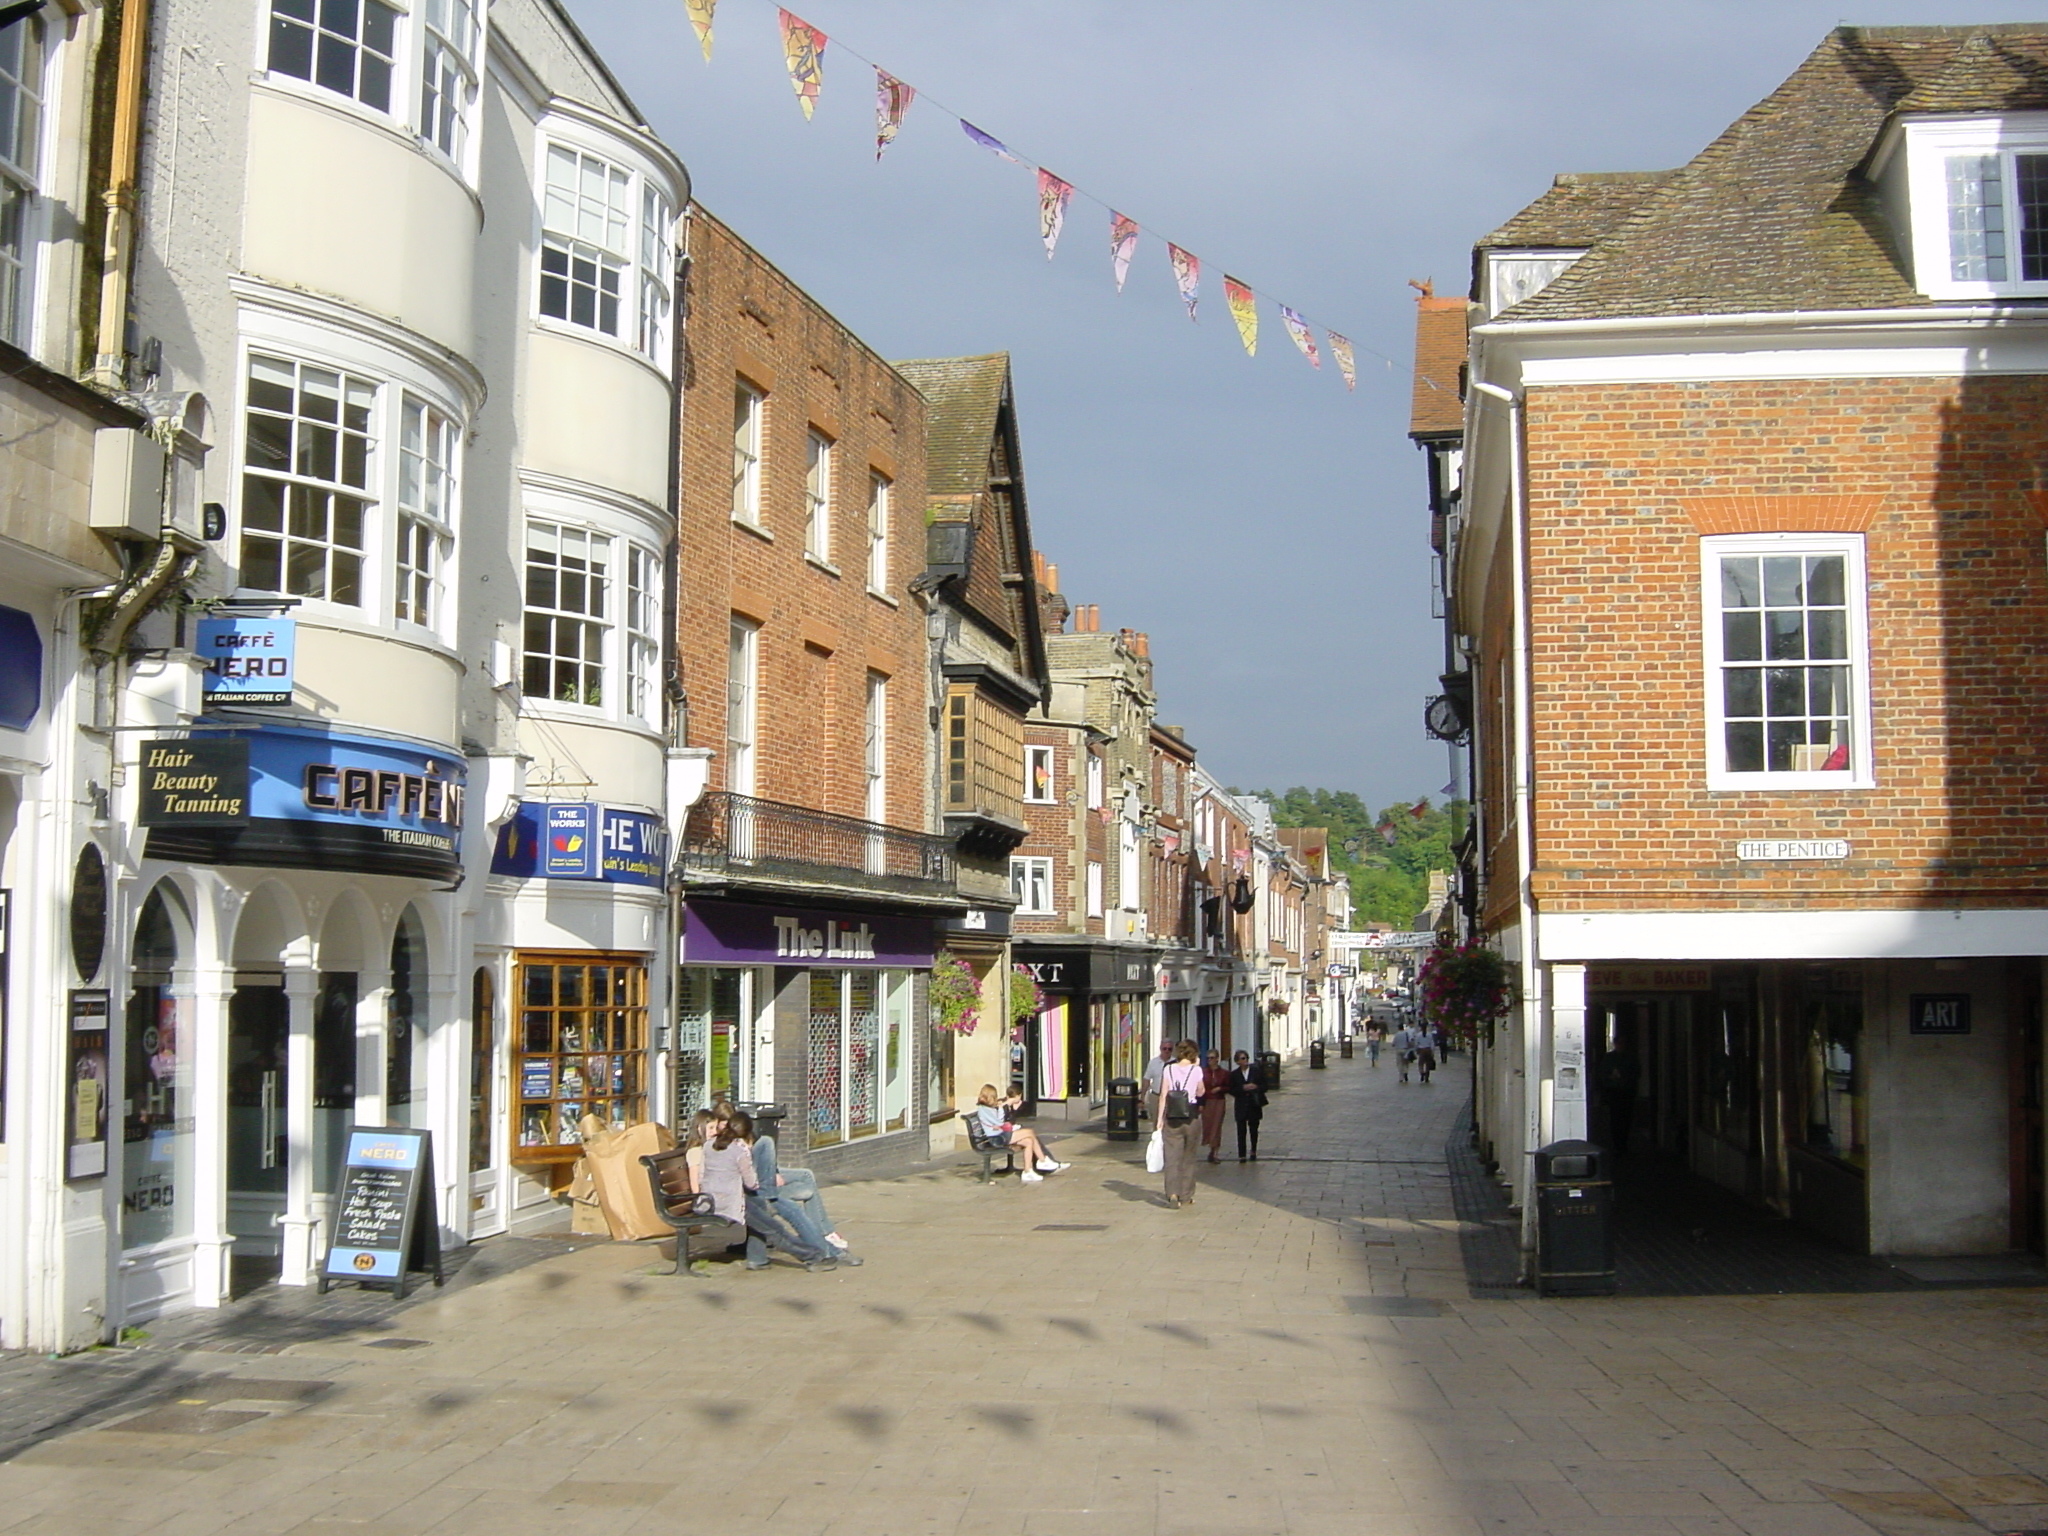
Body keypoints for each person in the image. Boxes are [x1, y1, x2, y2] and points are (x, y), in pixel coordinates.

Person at [697, 1112, 837, 1272]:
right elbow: (752, 1183)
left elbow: (701, 1177)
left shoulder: (708, 1146)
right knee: (774, 1230)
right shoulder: (739, 1151)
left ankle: (758, 1259)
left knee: (760, 1207)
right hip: (731, 1204)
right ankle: (814, 1257)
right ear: (747, 1133)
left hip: (709, 1201)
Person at [735, 1112, 862, 1266]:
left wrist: (771, 1173)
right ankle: (829, 1250)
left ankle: (758, 1257)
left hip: (755, 1189)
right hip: (749, 1193)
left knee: (806, 1180)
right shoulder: (724, 1146)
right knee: (792, 1209)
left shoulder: (728, 1144)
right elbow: (745, 1179)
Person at [971, 1085, 1068, 1183]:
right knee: (1030, 1132)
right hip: (997, 1138)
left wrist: (1002, 1112)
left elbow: (999, 1123)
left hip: (1001, 1134)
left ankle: (1028, 1171)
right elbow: (999, 1123)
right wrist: (1002, 1109)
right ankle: (1042, 1161)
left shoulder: (989, 1107)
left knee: (1029, 1141)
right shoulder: (984, 1109)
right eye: (994, 1096)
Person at [1157, 1041, 1206, 1208]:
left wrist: (1159, 1119)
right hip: (1191, 1116)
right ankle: (1186, 1196)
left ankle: (1172, 1193)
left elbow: (1163, 1095)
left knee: (1171, 1157)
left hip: (1172, 1116)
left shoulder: (1168, 1069)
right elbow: (1201, 1092)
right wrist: (1196, 1067)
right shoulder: (1196, 1070)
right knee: (1189, 1158)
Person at [1598, 1032, 1640, 1155]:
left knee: (1626, 1118)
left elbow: (1636, 1073)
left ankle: (1623, 1142)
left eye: (1623, 1043)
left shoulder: (1630, 1058)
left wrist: (1623, 1076)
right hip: (1614, 1092)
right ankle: (1617, 1143)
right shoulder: (1609, 1058)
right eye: (1619, 1043)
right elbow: (1602, 1074)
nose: (1621, 1045)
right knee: (1615, 1118)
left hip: (1627, 1092)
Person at [1228, 1050, 1266, 1162]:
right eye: (1242, 1059)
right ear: (1237, 1061)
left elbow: (1265, 1086)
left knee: (1254, 1130)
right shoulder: (1234, 1074)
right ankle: (1242, 1154)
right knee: (1241, 1130)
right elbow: (1231, 1089)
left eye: (1246, 1058)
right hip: (1241, 1105)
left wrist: (1255, 1087)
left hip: (1254, 1104)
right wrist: (1242, 1088)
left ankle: (1253, 1150)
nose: (1245, 1061)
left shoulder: (1256, 1071)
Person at [1198, 1050, 1231, 1164]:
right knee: (1208, 1125)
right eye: (1208, 1058)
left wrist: (1220, 1089)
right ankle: (1210, 1146)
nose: (1210, 1061)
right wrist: (1200, 1103)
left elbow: (1229, 1087)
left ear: (1217, 1058)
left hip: (1219, 1101)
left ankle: (1215, 1151)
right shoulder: (1203, 1072)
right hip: (1207, 1101)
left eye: (1212, 1058)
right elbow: (1200, 1088)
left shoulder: (1224, 1073)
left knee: (1216, 1126)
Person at [1142, 1039, 1174, 1123]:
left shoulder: (1175, 1063)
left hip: (1170, 1097)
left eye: (1169, 1049)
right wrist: (1142, 1097)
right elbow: (1146, 1079)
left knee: (1169, 1122)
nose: (1167, 1051)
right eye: (1164, 1048)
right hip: (1156, 1096)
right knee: (1155, 1122)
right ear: (1160, 1048)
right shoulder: (1153, 1062)